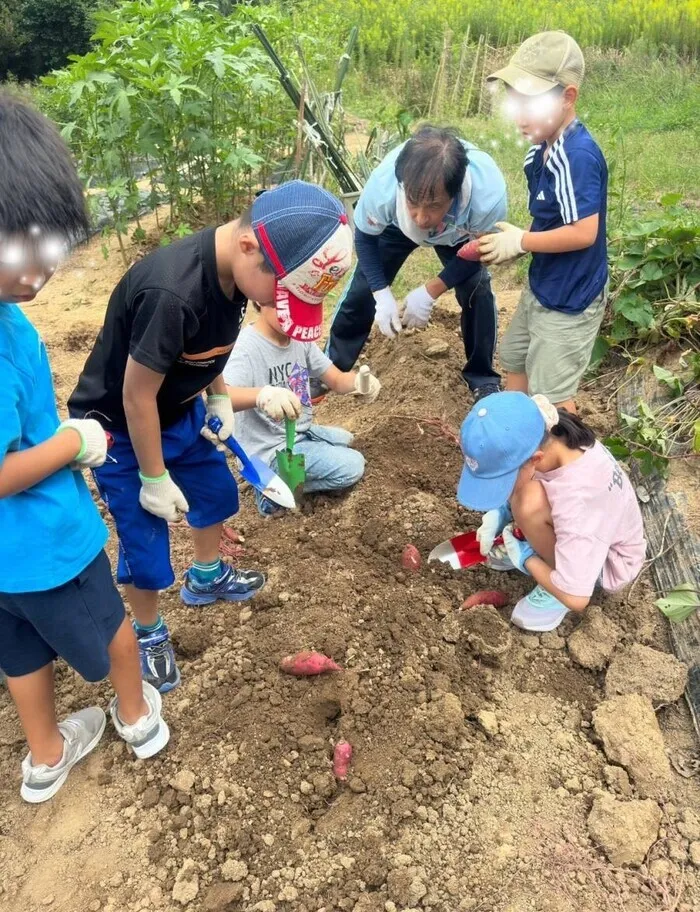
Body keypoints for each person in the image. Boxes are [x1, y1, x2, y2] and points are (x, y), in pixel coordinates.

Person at [68, 181, 353, 692]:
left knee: (216, 492)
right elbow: (134, 397)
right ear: (249, 248)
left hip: (176, 406)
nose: (276, 306)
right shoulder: (173, 292)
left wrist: (216, 393)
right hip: (121, 428)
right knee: (145, 534)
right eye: (280, 294)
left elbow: (210, 350)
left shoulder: (237, 278)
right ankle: (148, 629)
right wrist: (153, 477)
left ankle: (206, 576)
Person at [0, 94, 168, 803]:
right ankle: (137, 719)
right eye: (26, 250)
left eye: (50, 248)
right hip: (48, 541)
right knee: (113, 629)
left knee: (19, 650)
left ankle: (44, 757)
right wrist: (76, 441)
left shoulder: (10, 316)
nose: (42, 270)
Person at [320, 125, 507, 402]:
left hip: (460, 232)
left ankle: (482, 378)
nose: (421, 217)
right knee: (361, 292)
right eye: (414, 202)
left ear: (454, 194)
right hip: (396, 225)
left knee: (476, 289)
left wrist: (430, 290)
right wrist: (381, 294)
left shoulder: (486, 196)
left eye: (434, 205)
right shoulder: (383, 186)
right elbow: (366, 238)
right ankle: (331, 369)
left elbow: (482, 248)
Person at [479, 31, 609, 413]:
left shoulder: (577, 156)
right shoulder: (540, 151)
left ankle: (568, 461)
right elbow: (552, 218)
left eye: (531, 104)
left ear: (568, 97)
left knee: (552, 396)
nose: (519, 116)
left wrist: (523, 242)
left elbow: (585, 232)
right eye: (514, 102)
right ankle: (520, 438)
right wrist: (522, 243)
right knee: (515, 356)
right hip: (544, 285)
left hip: (571, 298)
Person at [456, 391, 646, 632]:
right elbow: (524, 473)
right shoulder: (553, 435)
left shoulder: (578, 503)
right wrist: (500, 511)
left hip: (605, 564)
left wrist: (527, 558)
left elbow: (577, 599)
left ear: (535, 458)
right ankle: (541, 544)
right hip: (589, 533)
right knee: (523, 490)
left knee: (527, 502)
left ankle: (552, 581)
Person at [222, 297, 380, 514]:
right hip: (269, 451)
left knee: (350, 440)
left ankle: (293, 473)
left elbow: (335, 379)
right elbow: (223, 396)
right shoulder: (246, 348)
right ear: (261, 297)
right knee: (352, 465)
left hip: (300, 433)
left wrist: (359, 383)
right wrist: (263, 395)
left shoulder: (298, 339)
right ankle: (272, 492)